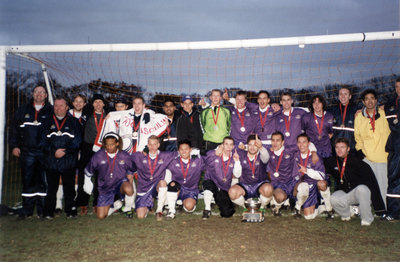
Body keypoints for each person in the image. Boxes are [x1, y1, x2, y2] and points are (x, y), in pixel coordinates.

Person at [9, 85, 53, 219]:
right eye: (36, 92)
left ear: (46, 95)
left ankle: (42, 211)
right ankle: (27, 211)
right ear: (33, 94)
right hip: (27, 151)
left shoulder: (51, 110)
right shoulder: (23, 109)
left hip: (44, 152)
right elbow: (14, 130)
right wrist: (14, 146)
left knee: (43, 182)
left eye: (42, 92)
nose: (39, 94)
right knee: (28, 181)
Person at [325, 138, 386, 226]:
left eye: (342, 147)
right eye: (337, 147)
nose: (339, 150)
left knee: (362, 189)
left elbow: (372, 184)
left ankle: (366, 219)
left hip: (360, 194)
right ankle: (347, 214)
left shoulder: (358, 162)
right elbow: (321, 166)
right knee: (333, 198)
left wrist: (380, 209)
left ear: (348, 149)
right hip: (346, 194)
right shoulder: (332, 162)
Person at [42, 97, 82, 219]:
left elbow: (78, 141)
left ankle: (70, 211)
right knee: (51, 188)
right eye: (56, 106)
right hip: (52, 161)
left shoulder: (74, 122)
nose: (58, 108)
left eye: (61, 106)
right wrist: (54, 151)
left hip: (68, 160)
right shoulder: (46, 122)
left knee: (69, 188)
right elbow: (42, 141)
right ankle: (49, 212)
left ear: (66, 107)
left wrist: (65, 151)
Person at [84, 133, 136, 219]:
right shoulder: (98, 155)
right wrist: (87, 181)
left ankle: (128, 208)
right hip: (105, 187)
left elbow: (133, 167)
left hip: (120, 184)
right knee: (101, 216)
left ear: (117, 143)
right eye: (107, 145)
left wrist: (130, 175)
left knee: (129, 189)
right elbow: (89, 170)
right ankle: (116, 205)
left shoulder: (124, 155)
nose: (109, 147)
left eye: (112, 144)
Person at [266, 132, 318, 216]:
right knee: (280, 197)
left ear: (283, 142)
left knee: (304, 187)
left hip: (292, 182)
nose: (275, 143)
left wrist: (314, 152)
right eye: (273, 140)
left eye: (278, 140)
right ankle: (276, 206)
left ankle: (297, 208)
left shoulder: (290, 149)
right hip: (278, 184)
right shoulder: (267, 150)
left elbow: (308, 143)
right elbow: (253, 147)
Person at [354, 89, 390, 207]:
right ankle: (366, 208)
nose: (370, 101)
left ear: (376, 100)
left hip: (383, 157)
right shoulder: (359, 116)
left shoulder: (385, 113)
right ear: (363, 102)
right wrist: (360, 151)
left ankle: (384, 209)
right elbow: (357, 137)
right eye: (367, 99)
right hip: (367, 158)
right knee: (367, 185)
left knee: (383, 184)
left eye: (372, 98)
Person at [76, 94, 110, 215]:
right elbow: (74, 110)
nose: (98, 104)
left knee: (100, 177)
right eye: (95, 102)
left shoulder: (109, 115)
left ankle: (97, 203)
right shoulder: (87, 113)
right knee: (84, 175)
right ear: (92, 104)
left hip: (103, 148)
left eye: (100, 102)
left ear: (104, 104)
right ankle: (82, 203)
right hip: (87, 147)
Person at [97, 96, 168, 153]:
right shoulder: (126, 115)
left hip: (141, 151)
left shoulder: (149, 116)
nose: (137, 106)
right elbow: (118, 113)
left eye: (139, 103)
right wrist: (111, 115)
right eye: (135, 103)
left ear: (143, 105)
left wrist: (166, 120)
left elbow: (161, 117)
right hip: (125, 149)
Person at [131, 135, 177, 220]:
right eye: (150, 144)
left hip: (157, 186)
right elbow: (125, 158)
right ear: (147, 145)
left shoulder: (165, 155)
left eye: (155, 144)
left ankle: (159, 210)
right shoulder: (139, 156)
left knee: (163, 182)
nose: (152, 147)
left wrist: (196, 152)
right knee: (140, 216)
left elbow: (182, 152)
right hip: (144, 189)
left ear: (158, 145)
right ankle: (149, 205)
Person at [55, 94, 87, 214]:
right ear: (72, 103)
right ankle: (58, 203)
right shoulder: (66, 115)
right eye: (76, 101)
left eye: (81, 102)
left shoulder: (87, 116)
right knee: (60, 177)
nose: (78, 104)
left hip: (80, 150)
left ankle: (71, 202)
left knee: (76, 177)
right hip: (65, 150)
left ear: (84, 104)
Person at [228, 134, 273, 210]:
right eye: (250, 145)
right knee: (232, 192)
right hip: (245, 185)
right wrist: (237, 162)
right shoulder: (241, 154)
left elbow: (266, 157)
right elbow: (237, 174)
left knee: (268, 189)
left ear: (258, 145)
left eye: (255, 145)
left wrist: (261, 147)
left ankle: (261, 207)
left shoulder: (262, 154)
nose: (252, 147)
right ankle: (246, 207)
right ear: (247, 145)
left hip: (260, 184)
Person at [294, 133, 333, 220]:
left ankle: (329, 208)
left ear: (309, 144)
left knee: (322, 184)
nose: (301, 145)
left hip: (316, 183)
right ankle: (319, 207)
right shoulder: (295, 155)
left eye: (304, 142)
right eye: (299, 142)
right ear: (297, 144)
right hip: (306, 185)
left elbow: (322, 175)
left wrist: (307, 171)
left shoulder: (315, 157)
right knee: (308, 217)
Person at [202, 136, 241, 219]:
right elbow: (205, 160)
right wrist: (214, 153)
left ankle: (219, 199)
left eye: (231, 145)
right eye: (226, 144)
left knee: (227, 213)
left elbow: (237, 175)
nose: (228, 147)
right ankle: (207, 209)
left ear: (233, 146)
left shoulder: (234, 157)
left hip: (223, 187)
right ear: (222, 145)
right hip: (212, 181)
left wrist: (237, 161)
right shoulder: (215, 153)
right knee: (208, 184)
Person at [164, 140, 205, 220]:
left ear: (190, 150)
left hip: (191, 190)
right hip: (178, 189)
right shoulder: (173, 161)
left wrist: (200, 152)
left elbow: (211, 159)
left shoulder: (198, 160)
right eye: (181, 149)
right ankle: (171, 211)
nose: (184, 151)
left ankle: (180, 202)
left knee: (189, 207)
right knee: (172, 184)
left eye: (186, 149)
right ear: (178, 151)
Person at [384, 77, 400, 221]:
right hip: (395, 148)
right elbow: (394, 125)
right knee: (394, 179)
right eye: (396, 87)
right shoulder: (390, 103)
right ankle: (393, 213)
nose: (398, 90)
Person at [302, 95, 334, 161]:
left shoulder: (329, 116)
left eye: (319, 102)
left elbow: (332, 132)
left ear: (323, 104)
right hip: (312, 151)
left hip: (326, 150)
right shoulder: (306, 117)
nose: (317, 105)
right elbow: (303, 133)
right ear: (312, 105)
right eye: (314, 103)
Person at [328, 87, 359, 154]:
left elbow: (370, 109)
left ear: (350, 96)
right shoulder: (332, 110)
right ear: (338, 97)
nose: (343, 96)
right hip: (335, 147)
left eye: (345, 94)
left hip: (351, 147)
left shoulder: (357, 109)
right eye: (341, 94)